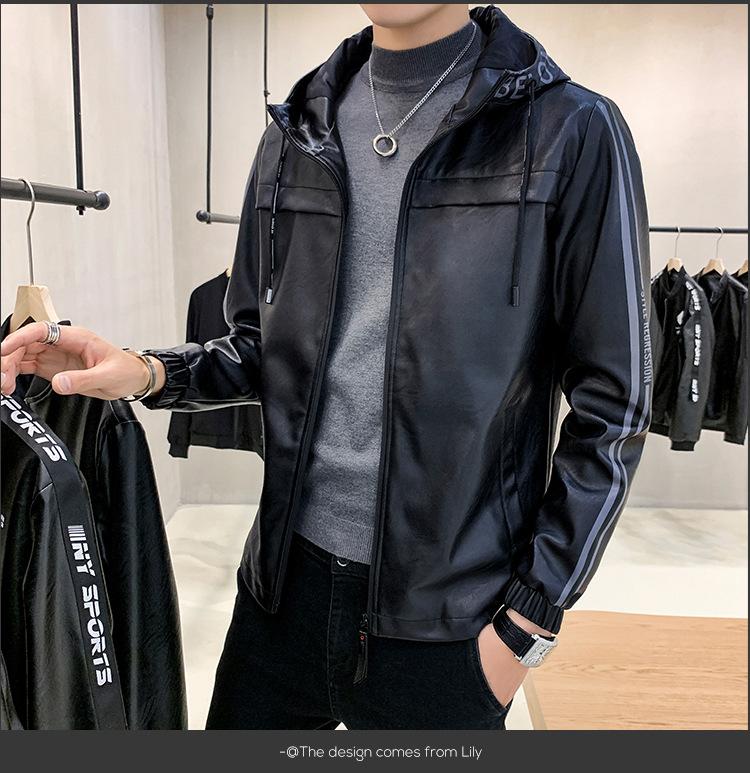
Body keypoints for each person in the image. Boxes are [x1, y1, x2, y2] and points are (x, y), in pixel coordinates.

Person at [1, 4, 651, 729]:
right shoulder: (297, 130)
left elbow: (614, 407)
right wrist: (147, 370)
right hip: (282, 599)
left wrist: (527, 623)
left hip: (449, 621)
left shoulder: (569, 130)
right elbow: (260, 348)